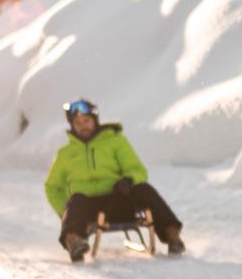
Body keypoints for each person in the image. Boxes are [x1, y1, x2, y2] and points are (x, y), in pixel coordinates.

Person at [46, 98, 187, 259]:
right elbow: (52, 187)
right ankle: (74, 242)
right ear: (72, 125)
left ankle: (172, 236)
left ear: (95, 120)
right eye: (77, 122)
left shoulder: (115, 141)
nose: (82, 125)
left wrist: (129, 179)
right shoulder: (65, 154)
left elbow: (137, 169)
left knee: (143, 189)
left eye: (86, 120)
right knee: (76, 199)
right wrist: (65, 212)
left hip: (117, 200)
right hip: (88, 209)